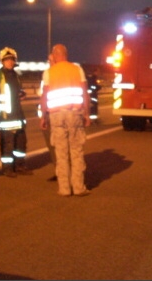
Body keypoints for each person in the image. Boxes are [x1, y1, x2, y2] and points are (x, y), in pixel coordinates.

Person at [43, 44, 91, 197]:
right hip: (74, 114)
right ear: (66, 54)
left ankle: (64, 189)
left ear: (54, 55)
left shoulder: (49, 72)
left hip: (56, 116)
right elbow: (84, 93)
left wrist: (44, 116)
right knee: (76, 151)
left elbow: (44, 96)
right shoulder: (77, 69)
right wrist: (87, 114)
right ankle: (78, 187)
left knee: (61, 154)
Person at [0, 47, 33, 177]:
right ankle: (7, 168)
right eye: (7, 60)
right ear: (2, 61)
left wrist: (22, 94)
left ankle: (20, 165)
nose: (10, 62)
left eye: (12, 60)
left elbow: (16, 92)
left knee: (21, 142)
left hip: (18, 115)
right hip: (6, 117)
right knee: (7, 143)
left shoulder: (15, 74)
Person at [40, 54, 57, 181]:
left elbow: (45, 95)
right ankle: (58, 169)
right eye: (49, 60)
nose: (50, 62)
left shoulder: (51, 74)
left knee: (58, 145)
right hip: (50, 113)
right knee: (52, 145)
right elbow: (43, 95)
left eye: (52, 60)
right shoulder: (47, 74)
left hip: (55, 114)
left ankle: (62, 171)